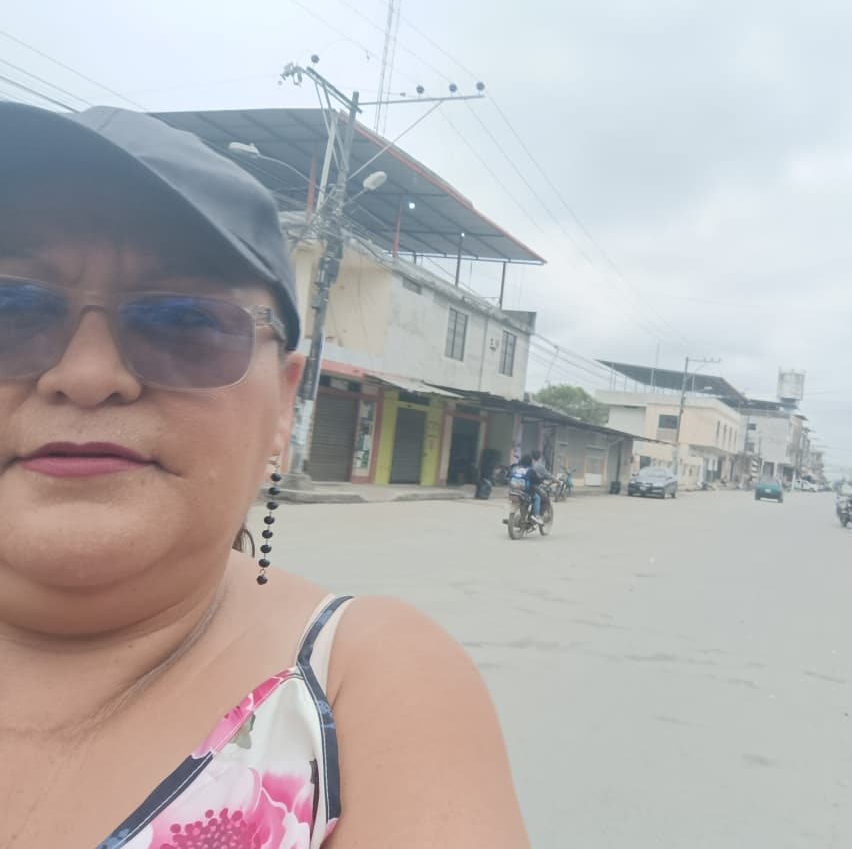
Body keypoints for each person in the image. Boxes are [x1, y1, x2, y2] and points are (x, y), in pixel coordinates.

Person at [0, 104, 529, 847]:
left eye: (183, 323)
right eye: (9, 311)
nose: (87, 376)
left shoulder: (357, 688)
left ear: (283, 406)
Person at [530, 448, 553, 523]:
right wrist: (557, 481)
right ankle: (537, 516)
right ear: (540, 457)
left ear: (532, 456)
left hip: (522, 487)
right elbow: (547, 475)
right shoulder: (539, 466)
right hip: (532, 487)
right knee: (545, 500)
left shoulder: (528, 463)